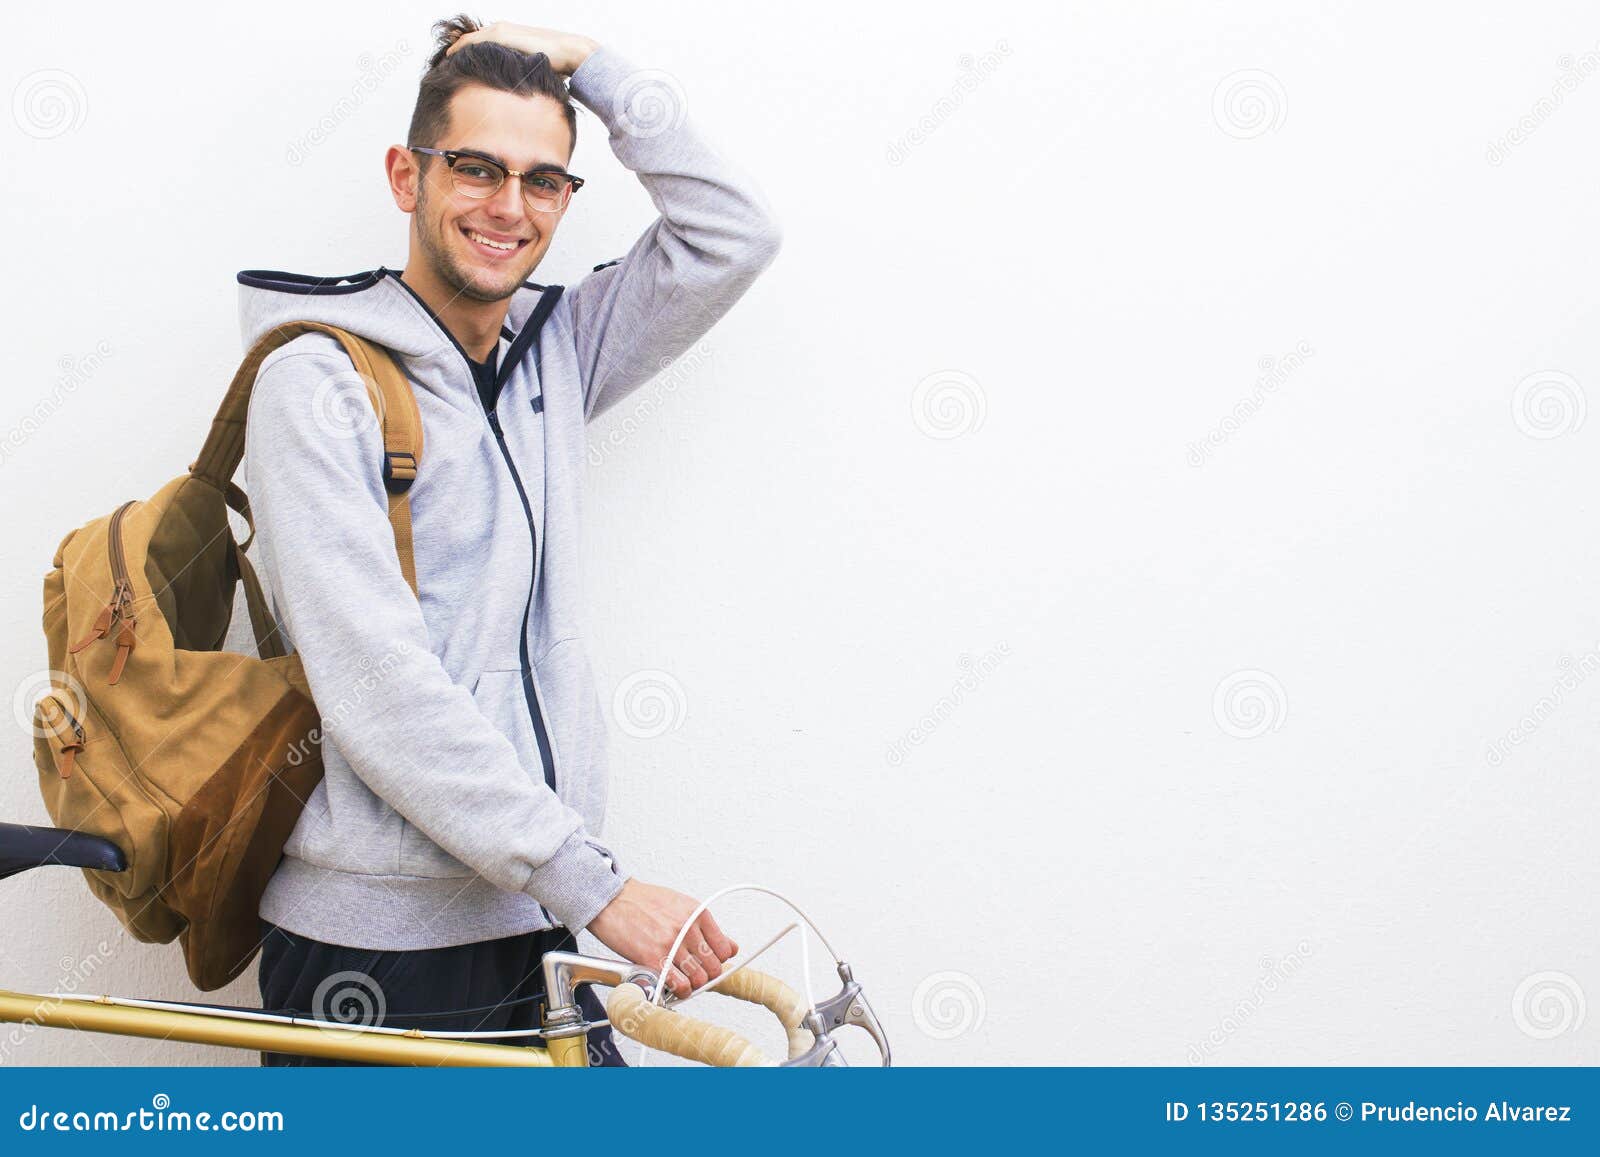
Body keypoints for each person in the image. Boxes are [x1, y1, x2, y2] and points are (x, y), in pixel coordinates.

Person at [241, 15, 782, 1065]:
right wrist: (600, 886)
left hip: (534, 918)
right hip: (374, 949)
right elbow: (377, 683)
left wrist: (596, 70)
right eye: (477, 167)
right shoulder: (316, 384)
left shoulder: (558, 350)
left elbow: (734, 234)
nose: (509, 206)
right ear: (408, 175)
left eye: (544, 180)